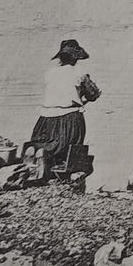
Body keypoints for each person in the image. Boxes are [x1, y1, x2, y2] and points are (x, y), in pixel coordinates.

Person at [28, 39, 100, 181]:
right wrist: (90, 96)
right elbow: (92, 93)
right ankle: (63, 166)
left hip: (45, 118)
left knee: (48, 142)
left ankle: (41, 153)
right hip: (68, 118)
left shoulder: (50, 72)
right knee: (71, 144)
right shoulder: (79, 72)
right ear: (75, 57)